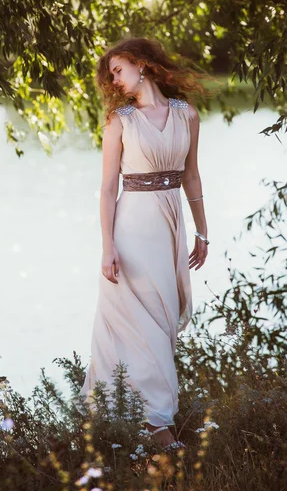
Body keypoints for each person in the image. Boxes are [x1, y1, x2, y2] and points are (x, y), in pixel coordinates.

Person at [78, 37, 210, 452]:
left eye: (118, 70)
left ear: (142, 64)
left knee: (164, 323)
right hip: (131, 227)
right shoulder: (120, 121)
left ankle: (141, 422)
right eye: (110, 75)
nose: (114, 80)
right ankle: (157, 427)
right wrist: (107, 247)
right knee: (138, 327)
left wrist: (203, 232)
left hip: (170, 226)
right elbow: (106, 188)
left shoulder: (187, 115)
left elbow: (191, 176)